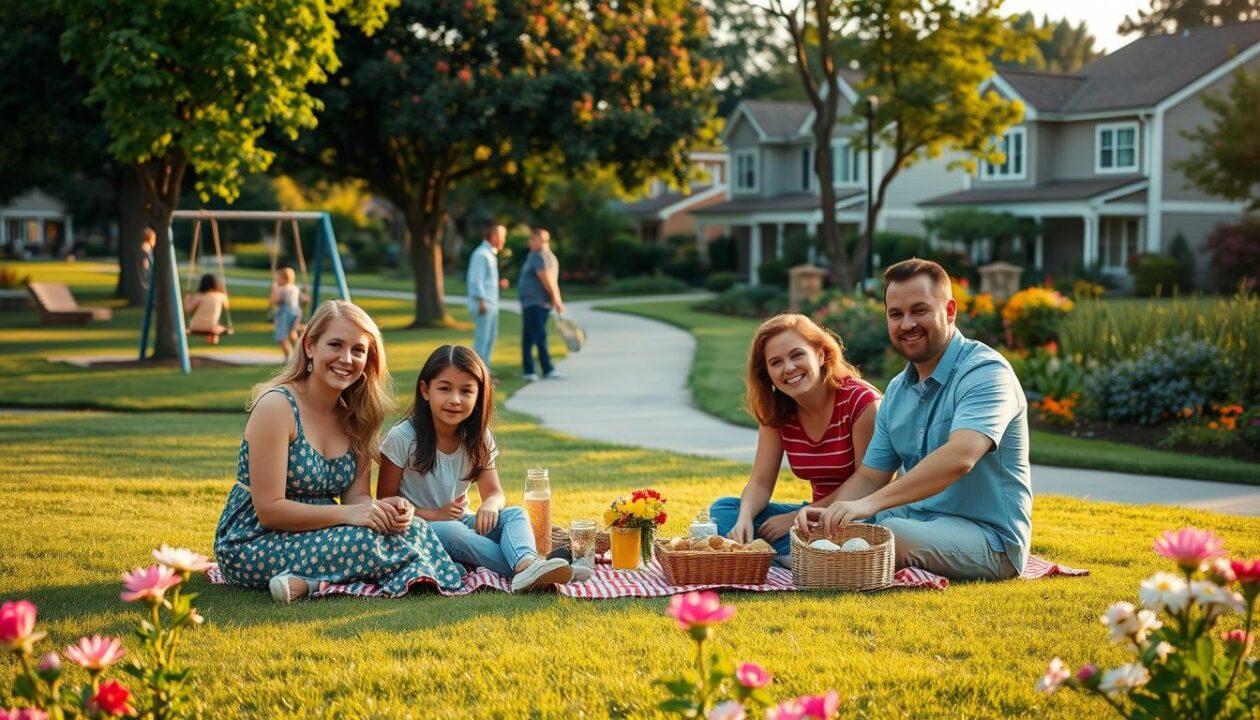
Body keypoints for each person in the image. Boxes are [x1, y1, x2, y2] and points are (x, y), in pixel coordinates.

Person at [794, 258, 1032, 580]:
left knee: (888, 534)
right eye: (896, 314)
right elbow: (869, 478)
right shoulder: (897, 390)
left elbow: (960, 457)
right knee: (831, 529)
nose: (907, 324)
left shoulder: (986, 372)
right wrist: (825, 513)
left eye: (919, 310)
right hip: (916, 520)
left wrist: (868, 506)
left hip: (991, 541)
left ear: (949, 311)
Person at [214, 300, 464, 603]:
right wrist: (353, 515)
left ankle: (310, 584)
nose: (346, 359)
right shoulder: (277, 407)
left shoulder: (358, 415)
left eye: (358, 350)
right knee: (364, 542)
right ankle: (417, 572)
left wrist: (389, 509)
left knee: (414, 528)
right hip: (253, 541)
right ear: (310, 346)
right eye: (335, 345)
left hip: (322, 532)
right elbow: (270, 510)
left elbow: (357, 499)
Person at [378, 345, 573, 592]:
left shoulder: (478, 438)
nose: (455, 399)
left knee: (514, 514)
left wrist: (490, 505)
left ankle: (527, 564)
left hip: (461, 521)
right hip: (417, 528)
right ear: (426, 390)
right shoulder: (403, 437)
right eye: (445, 388)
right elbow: (385, 501)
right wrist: (435, 514)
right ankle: (537, 569)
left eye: (466, 391)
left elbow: (494, 493)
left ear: (479, 395)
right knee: (453, 530)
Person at [711, 314, 881, 564]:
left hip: (862, 515)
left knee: (852, 532)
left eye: (797, 355)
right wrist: (744, 518)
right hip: (812, 515)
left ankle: (795, 555)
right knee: (724, 511)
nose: (788, 368)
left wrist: (796, 517)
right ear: (767, 373)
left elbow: (870, 483)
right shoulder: (777, 411)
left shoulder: (862, 403)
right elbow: (760, 483)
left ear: (821, 355)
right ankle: (803, 554)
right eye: (776, 362)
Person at [517, 228, 565, 381]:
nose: (530, 242)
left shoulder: (539, 256)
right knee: (528, 337)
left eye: (533, 239)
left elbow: (547, 279)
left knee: (538, 336)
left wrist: (556, 299)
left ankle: (547, 369)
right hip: (531, 303)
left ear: (541, 240)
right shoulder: (536, 256)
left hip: (536, 303)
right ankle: (528, 370)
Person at [466, 221, 505, 370]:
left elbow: (484, 280)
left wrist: (498, 283)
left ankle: (485, 373)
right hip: (484, 305)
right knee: (482, 341)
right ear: (494, 236)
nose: (504, 241)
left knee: (490, 339)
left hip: (491, 304)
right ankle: (477, 374)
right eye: (502, 237)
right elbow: (475, 280)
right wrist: (481, 301)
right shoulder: (481, 254)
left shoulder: (489, 254)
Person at [184, 273, 231, 344]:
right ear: (215, 284)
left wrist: (187, 298)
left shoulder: (199, 296)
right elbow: (226, 306)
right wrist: (225, 294)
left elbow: (188, 309)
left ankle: (211, 339)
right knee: (221, 329)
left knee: (211, 327)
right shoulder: (221, 296)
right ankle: (213, 341)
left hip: (195, 326)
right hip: (211, 327)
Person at [270, 267, 302, 361]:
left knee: (281, 335)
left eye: (278, 278)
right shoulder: (296, 288)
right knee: (292, 333)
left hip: (285, 313)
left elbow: (275, 301)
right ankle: (299, 354)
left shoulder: (281, 289)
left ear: (284, 279)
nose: (276, 280)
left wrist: (274, 290)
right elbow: (305, 299)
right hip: (296, 312)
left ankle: (288, 356)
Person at [138, 227, 157, 293]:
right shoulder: (146, 251)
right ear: (150, 239)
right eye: (154, 239)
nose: (155, 242)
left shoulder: (146, 250)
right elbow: (145, 268)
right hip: (146, 283)